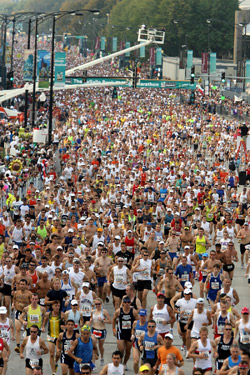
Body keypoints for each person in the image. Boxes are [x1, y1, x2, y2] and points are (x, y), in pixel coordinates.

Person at [112, 295, 139, 369]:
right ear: (123, 303)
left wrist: (135, 323)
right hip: (121, 332)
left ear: (130, 303)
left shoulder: (133, 311)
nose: (127, 304)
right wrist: (114, 329)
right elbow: (113, 319)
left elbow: (138, 320)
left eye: (128, 302)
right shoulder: (119, 311)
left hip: (130, 333)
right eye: (125, 302)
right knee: (121, 349)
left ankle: (124, 363)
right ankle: (120, 363)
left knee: (128, 350)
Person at [44, 300, 65, 375]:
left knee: (58, 353)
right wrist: (43, 326)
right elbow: (45, 320)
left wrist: (64, 328)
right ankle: (53, 371)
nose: (57, 307)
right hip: (51, 336)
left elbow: (66, 324)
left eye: (58, 306)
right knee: (52, 354)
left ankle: (55, 362)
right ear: (52, 306)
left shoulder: (62, 315)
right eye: (55, 306)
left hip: (59, 337)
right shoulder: (48, 314)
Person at [90, 297, 111, 366]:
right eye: (96, 304)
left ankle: (102, 357)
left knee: (100, 346)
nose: (97, 305)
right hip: (94, 329)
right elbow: (91, 320)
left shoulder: (104, 311)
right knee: (93, 344)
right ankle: (93, 362)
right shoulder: (92, 311)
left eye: (99, 304)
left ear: (101, 304)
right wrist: (89, 322)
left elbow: (110, 321)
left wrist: (103, 320)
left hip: (101, 330)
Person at [13, 278, 32, 352]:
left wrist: (26, 306)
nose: (22, 286)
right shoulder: (16, 293)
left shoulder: (29, 293)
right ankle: (18, 345)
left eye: (23, 284)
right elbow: (14, 299)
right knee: (17, 329)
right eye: (21, 284)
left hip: (26, 313)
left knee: (26, 330)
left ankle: (27, 344)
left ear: (26, 285)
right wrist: (13, 305)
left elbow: (31, 303)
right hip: (18, 312)